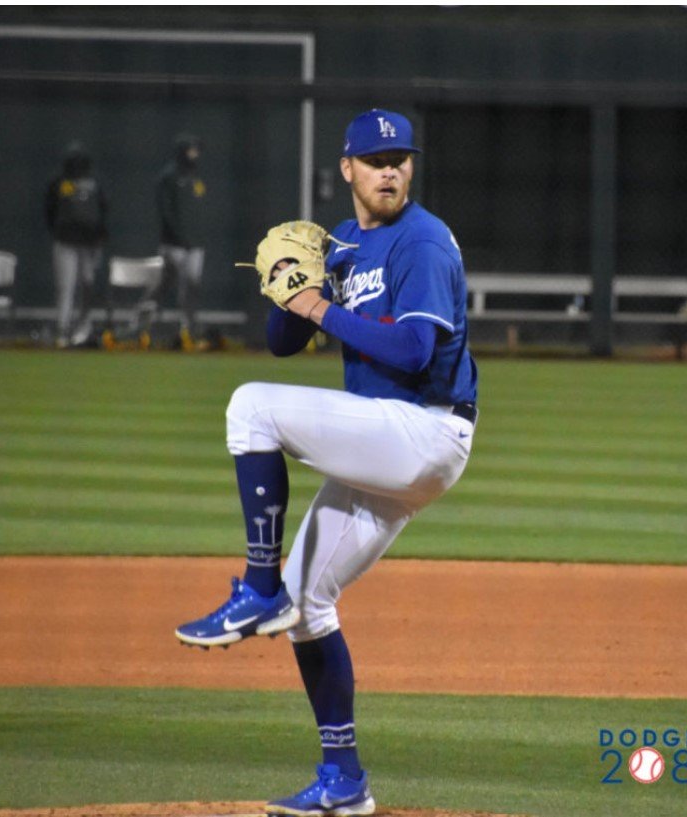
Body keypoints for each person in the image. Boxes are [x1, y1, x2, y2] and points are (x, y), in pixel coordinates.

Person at [176, 109, 478, 816]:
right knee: (309, 605)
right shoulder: (343, 243)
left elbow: (412, 352)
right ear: (346, 169)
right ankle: (344, 779)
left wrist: (317, 305)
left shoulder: (423, 242)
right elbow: (286, 339)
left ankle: (256, 587)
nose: (390, 170)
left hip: (424, 429)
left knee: (250, 406)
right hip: (386, 444)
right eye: (375, 159)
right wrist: (291, 286)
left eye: (400, 157)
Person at [45, 141, 108, 348]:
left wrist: (99, 238)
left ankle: (82, 330)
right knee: (66, 287)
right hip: (66, 242)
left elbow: (104, 210)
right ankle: (62, 331)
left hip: (88, 244)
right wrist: (59, 230)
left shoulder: (94, 182)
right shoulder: (59, 183)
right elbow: (49, 210)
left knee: (87, 286)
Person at [156, 133, 209, 351]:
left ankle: (187, 329)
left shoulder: (196, 177)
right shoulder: (169, 175)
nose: (195, 154)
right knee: (165, 286)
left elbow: (200, 209)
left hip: (194, 245)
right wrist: (180, 237)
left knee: (191, 286)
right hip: (174, 244)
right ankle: (147, 326)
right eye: (191, 149)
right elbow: (166, 212)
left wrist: (197, 237)